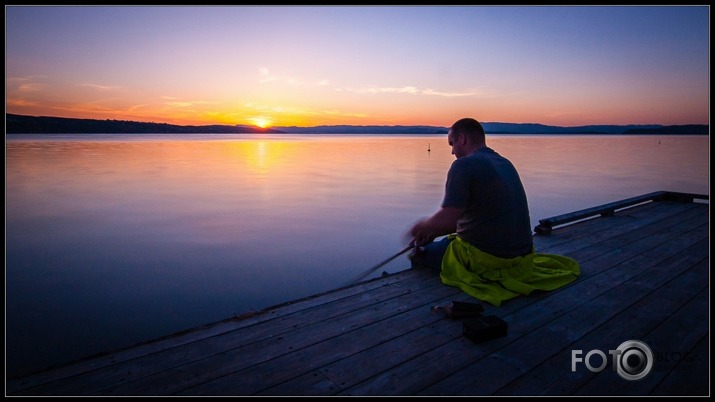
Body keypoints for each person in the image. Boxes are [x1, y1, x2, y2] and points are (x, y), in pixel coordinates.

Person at [408, 117, 579, 306]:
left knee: (419, 254)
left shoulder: (463, 165)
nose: (452, 151)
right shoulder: (504, 163)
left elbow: (449, 220)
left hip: (489, 260)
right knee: (444, 242)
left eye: (452, 144)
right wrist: (431, 231)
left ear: (462, 139)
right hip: (522, 261)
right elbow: (482, 216)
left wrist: (420, 227)